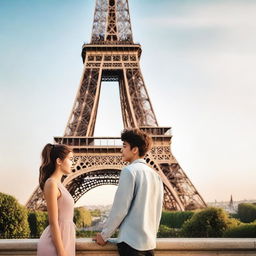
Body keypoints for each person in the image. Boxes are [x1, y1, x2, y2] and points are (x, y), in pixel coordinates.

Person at [94, 128, 164, 256]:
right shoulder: (156, 175)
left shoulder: (129, 171)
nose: (121, 150)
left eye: (124, 146)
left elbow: (120, 209)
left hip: (130, 245)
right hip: (149, 245)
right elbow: (157, 210)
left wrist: (104, 235)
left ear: (135, 149)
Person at [37, 143, 75, 256]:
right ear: (59, 161)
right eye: (70, 159)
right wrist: (61, 252)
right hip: (56, 246)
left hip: (65, 240)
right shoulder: (51, 184)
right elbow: (53, 222)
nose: (73, 163)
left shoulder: (59, 184)